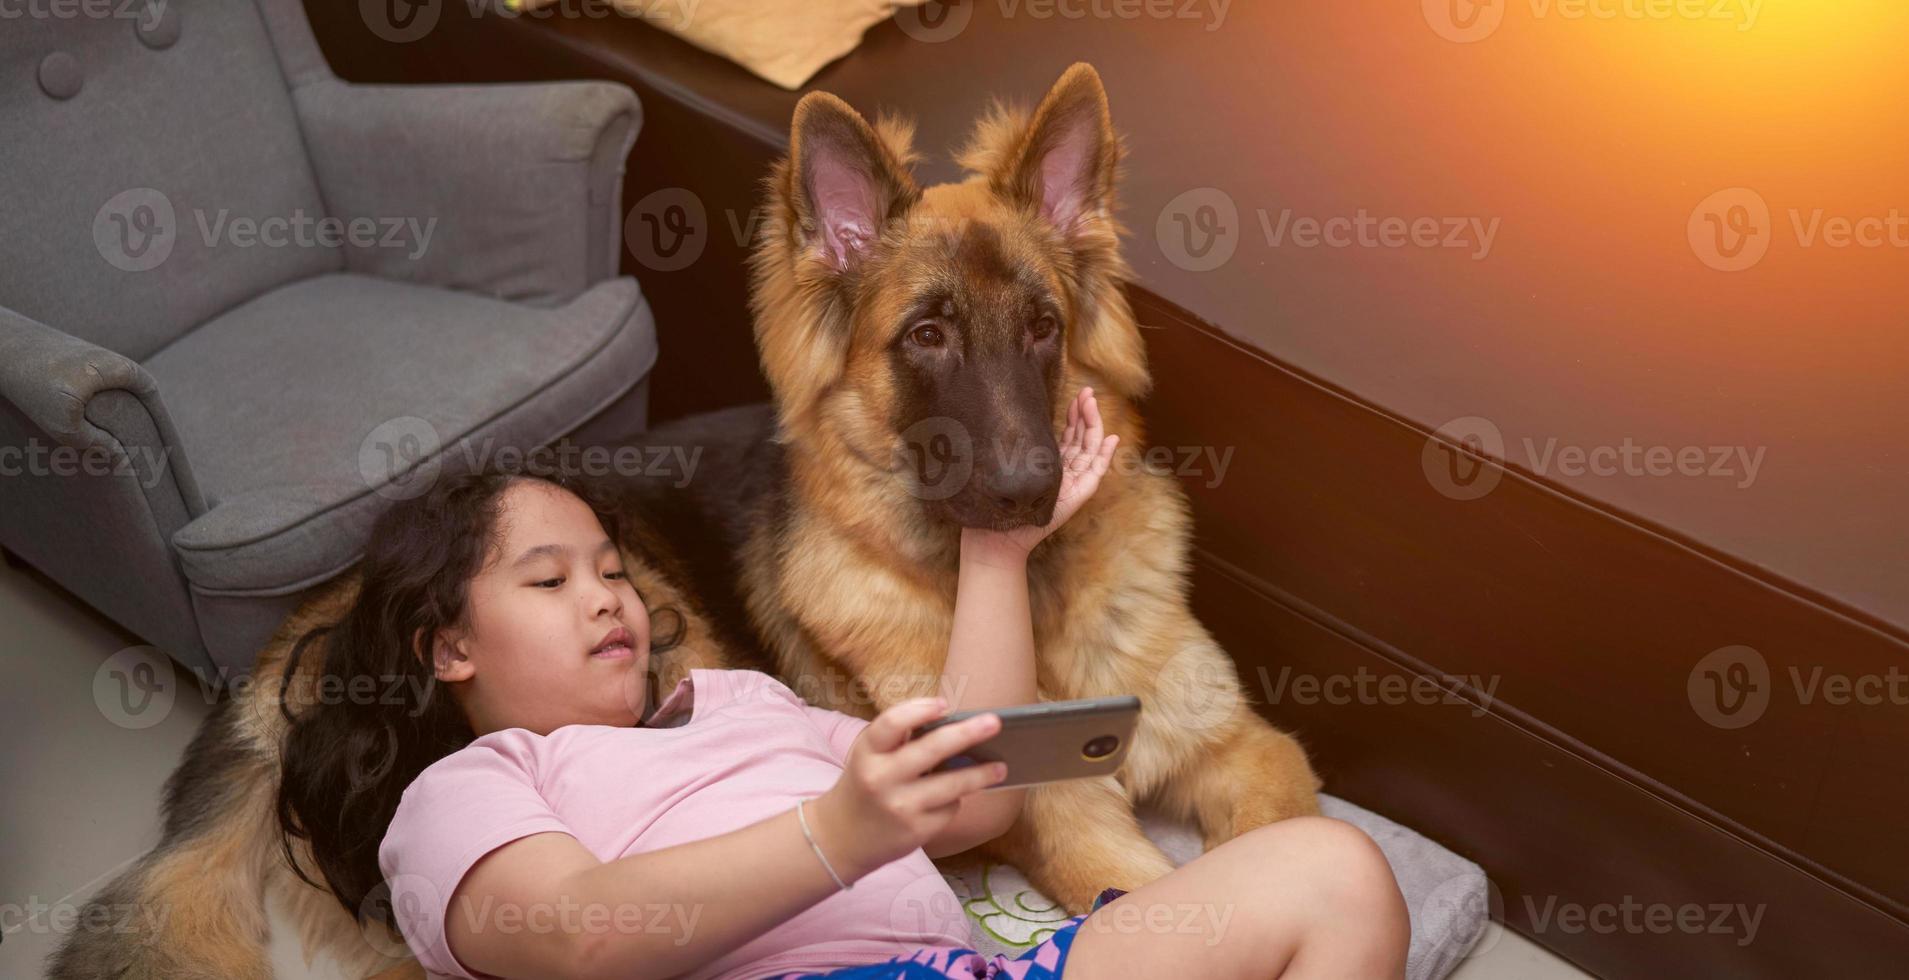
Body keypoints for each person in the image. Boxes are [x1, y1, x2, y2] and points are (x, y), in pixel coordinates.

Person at [276, 388, 1409, 980]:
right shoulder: (474, 785)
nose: (608, 595)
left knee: (1334, 871)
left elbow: (976, 802)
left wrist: (995, 553)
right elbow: (581, 933)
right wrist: (836, 829)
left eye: (614, 569)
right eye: (549, 577)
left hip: (965, 970)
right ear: (447, 646)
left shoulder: (743, 706)